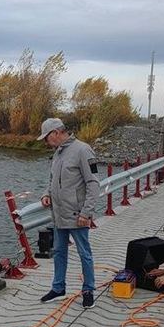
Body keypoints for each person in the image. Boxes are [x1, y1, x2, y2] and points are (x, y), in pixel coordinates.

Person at [38, 118, 99, 309]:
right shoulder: (58, 154)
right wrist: (47, 194)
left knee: (84, 253)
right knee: (59, 252)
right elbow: (52, 179)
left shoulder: (83, 150)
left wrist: (86, 213)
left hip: (77, 215)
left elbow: (93, 183)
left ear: (56, 133)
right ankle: (58, 288)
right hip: (59, 214)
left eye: (47, 138)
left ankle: (88, 290)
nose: (47, 143)